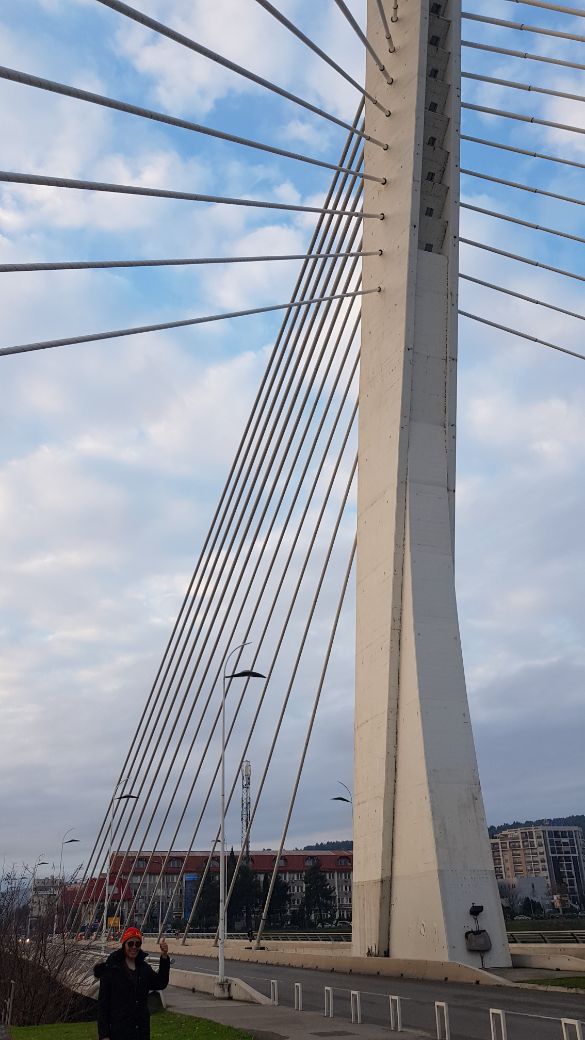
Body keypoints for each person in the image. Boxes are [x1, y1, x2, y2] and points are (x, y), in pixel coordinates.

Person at [94, 926, 170, 1040]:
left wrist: (164, 956)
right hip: (118, 1032)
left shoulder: (144, 969)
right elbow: (103, 1005)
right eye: (130, 944)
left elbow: (160, 983)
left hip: (140, 1032)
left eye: (137, 944)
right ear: (124, 944)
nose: (134, 947)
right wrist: (104, 1035)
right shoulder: (111, 969)